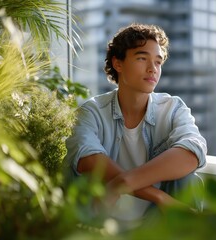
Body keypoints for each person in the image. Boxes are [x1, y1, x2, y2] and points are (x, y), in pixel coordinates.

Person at [63, 23, 207, 224]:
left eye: (158, 62)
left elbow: (192, 152)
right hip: (102, 219)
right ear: (118, 63)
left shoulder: (173, 108)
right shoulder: (92, 111)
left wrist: (123, 182)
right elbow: (86, 158)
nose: (152, 69)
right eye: (142, 58)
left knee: (188, 179)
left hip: (156, 223)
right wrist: (158, 196)